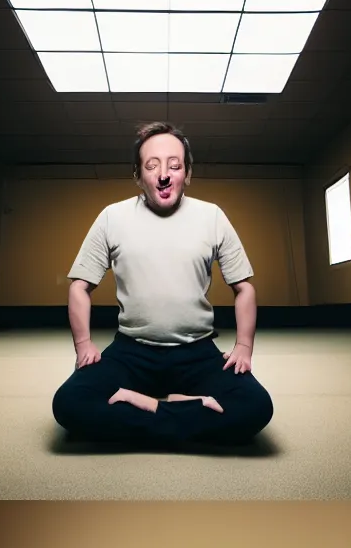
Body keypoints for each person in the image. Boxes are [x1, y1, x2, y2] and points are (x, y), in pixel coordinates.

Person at [51, 121, 273, 446]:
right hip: (131, 352)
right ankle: (184, 414)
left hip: (197, 352)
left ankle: (144, 411)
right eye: (152, 165)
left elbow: (244, 287)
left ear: (187, 173)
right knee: (68, 404)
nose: (164, 173)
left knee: (256, 407)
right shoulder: (112, 217)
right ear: (138, 176)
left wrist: (243, 347)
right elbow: (79, 286)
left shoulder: (211, 216)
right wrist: (84, 345)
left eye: (175, 164)